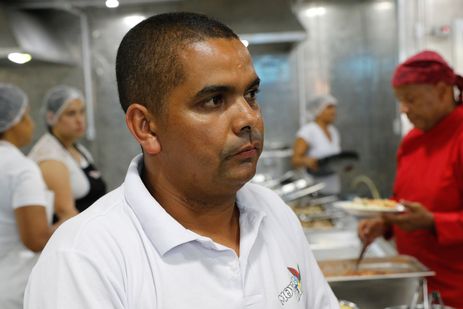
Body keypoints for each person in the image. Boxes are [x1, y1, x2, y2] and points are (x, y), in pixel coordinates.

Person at [24, 12, 339, 308]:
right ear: (146, 127)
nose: (248, 118)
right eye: (214, 100)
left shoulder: (273, 214)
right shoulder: (84, 258)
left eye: (251, 95)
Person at [358, 50, 463, 308]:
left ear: (441, 91)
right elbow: (402, 199)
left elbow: (430, 215)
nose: (404, 109)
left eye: (411, 99)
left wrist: (433, 223)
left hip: (456, 289)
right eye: (400, 101)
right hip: (417, 284)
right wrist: (385, 222)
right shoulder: (412, 141)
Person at [0, 83, 56, 309]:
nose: (31, 124)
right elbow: (35, 238)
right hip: (12, 285)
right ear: (13, 122)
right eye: (26, 116)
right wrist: (71, 224)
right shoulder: (21, 168)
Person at [28, 85, 106, 222]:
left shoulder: (79, 149)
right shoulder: (49, 157)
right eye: (71, 113)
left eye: (82, 112)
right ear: (52, 118)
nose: (79, 120)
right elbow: (67, 215)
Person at [291, 94, 341, 194]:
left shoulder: (333, 131)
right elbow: (295, 160)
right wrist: (308, 161)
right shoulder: (308, 131)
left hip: (333, 186)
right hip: (314, 187)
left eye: (334, 107)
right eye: (329, 107)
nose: (333, 111)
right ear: (318, 111)